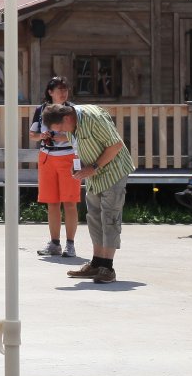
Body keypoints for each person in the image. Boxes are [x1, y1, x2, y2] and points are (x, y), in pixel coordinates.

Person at [43, 102, 136, 285]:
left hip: (113, 171)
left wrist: (93, 167)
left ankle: (108, 268)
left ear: (67, 118)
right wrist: (78, 167)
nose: (60, 133)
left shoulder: (94, 118)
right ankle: (97, 263)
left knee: (110, 217)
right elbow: (80, 148)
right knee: (94, 216)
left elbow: (116, 145)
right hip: (94, 174)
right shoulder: (71, 124)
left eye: (60, 128)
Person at [29, 76, 80, 258]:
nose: (63, 93)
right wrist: (42, 136)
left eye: (65, 89)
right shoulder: (41, 109)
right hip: (47, 158)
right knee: (52, 202)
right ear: (50, 92)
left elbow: (82, 133)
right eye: (60, 89)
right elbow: (32, 134)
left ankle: (70, 244)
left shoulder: (73, 110)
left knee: (70, 202)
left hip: (68, 157)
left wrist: (66, 137)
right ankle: (54, 243)